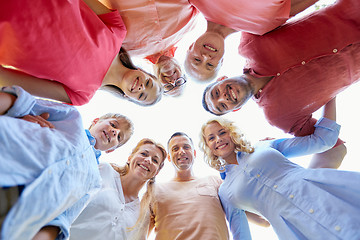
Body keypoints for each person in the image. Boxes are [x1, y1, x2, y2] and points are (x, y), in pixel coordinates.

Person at [202, 0, 359, 169]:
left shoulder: (250, 42)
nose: (223, 98)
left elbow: (284, 8)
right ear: (235, 109)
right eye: (222, 106)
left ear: (221, 79)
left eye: (215, 94)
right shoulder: (279, 117)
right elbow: (328, 143)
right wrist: (330, 95)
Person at [200, 98, 360, 240]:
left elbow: (322, 140)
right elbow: (241, 234)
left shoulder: (263, 146)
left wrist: (330, 95)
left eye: (222, 132)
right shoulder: (225, 192)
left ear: (231, 133)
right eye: (211, 138)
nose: (219, 139)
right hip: (296, 228)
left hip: (324, 193)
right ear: (208, 147)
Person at [0, 85, 133, 240]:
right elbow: (22, 102)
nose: (114, 131)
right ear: (96, 121)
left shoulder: (94, 181)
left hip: (16, 215)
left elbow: (62, 219)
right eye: (113, 124)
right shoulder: (72, 117)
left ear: (112, 150)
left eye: (119, 136)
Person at [0, 0, 163, 106]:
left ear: (128, 97)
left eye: (141, 95)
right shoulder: (118, 31)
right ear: (144, 72)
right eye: (148, 83)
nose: (141, 87)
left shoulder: (81, 96)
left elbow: (20, 83)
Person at [149, 132, 268, 239]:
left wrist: (262, 150)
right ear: (169, 157)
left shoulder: (214, 182)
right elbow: (140, 232)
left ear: (194, 153)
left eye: (186, 147)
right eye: (175, 149)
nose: (182, 151)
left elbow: (256, 217)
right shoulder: (155, 190)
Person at [184, 0, 318, 81]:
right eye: (210, 65)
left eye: (197, 60)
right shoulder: (262, 26)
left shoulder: (197, 1)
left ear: (190, 47)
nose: (206, 57)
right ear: (221, 60)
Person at [69, 138, 167, 240]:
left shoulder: (143, 215)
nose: (148, 160)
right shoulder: (104, 171)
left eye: (155, 160)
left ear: (156, 173)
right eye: (144, 154)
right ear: (130, 158)